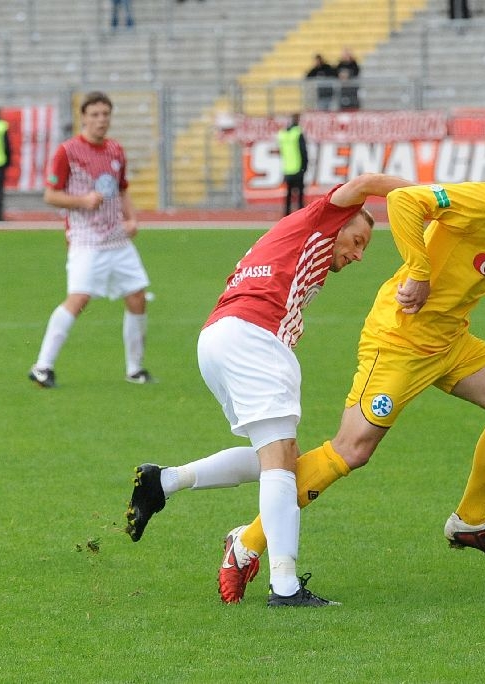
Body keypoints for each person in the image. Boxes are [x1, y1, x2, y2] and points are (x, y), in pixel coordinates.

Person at [123, 147, 485, 604]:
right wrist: (421, 273)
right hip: (400, 340)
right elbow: (406, 202)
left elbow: (480, 264)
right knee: (347, 451)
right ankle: (247, 545)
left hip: (450, 341)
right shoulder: (482, 199)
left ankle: (471, 520)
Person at [125, 172, 413, 607]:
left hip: (219, 338)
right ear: (339, 222)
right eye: (356, 241)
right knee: (280, 463)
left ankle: (163, 482)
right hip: (253, 338)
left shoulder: (291, 243)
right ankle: (284, 586)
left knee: (282, 462)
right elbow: (365, 183)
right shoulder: (319, 218)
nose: (357, 255)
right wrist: (431, 196)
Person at [29, 91, 153, 389]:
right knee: (79, 297)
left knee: (137, 296)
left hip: (117, 238)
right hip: (86, 239)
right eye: (95, 114)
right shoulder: (68, 152)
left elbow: (122, 189)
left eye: (105, 114)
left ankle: (134, 369)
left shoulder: (115, 150)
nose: (101, 120)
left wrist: (132, 218)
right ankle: (42, 366)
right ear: (83, 117)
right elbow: (50, 195)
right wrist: (83, 201)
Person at [277, 112, 308, 214]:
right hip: (298, 167)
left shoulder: (282, 134)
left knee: (289, 194)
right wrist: (305, 166)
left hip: (287, 168)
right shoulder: (298, 133)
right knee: (299, 195)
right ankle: (301, 215)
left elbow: (282, 151)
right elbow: (303, 151)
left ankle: (286, 214)